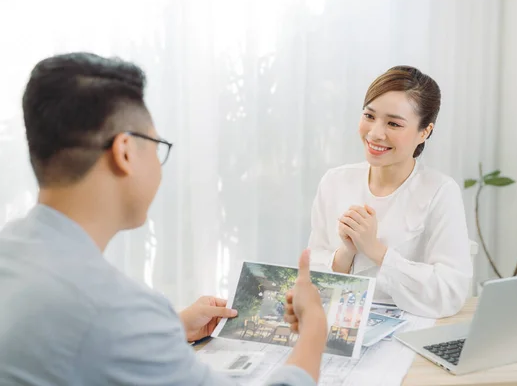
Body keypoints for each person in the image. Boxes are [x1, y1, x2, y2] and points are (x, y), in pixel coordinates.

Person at [0, 52, 327, 385]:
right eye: (157, 145)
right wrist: (313, 329)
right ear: (125, 152)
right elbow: (103, 324)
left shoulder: (11, 252)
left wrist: (171, 325)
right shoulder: (116, 312)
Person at [308, 66, 472, 319]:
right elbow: (312, 279)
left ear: (424, 132)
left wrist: (375, 250)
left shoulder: (440, 191)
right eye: (369, 116)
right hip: (337, 327)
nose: (375, 134)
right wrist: (346, 253)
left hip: (408, 331)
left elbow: (450, 292)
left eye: (394, 123)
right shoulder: (335, 181)